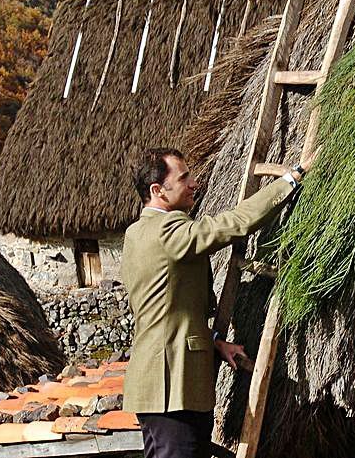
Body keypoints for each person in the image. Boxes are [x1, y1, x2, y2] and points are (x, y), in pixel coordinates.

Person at [121, 147, 313, 458]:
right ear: (158, 190)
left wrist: (215, 342)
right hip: (171, 387)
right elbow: (233, 223)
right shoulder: (167, 229)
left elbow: (164, 311)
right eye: (184, 178)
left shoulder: (135, 233)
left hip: (167, 385)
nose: (193, 183)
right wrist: (292, 178)